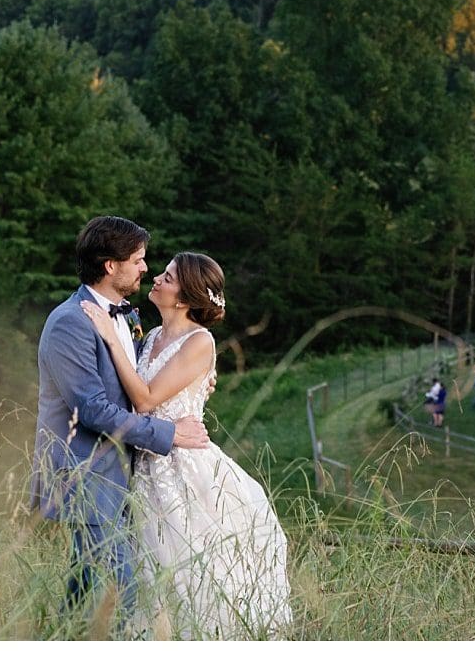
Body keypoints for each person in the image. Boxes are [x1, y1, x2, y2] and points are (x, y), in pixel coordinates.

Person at [83, 252, 292, 639]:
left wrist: (110, 338)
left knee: (190, 568)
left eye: (168, 277)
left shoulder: (200, 342)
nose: (157, 279)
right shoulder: (150, 339)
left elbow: (145, 400)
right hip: (144, 467)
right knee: (148, 573)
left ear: (183, 298)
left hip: (184, 468)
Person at [31, 216, 211, 625]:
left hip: (125, 477)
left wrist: (199, 376)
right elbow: (91, 410)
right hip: (86, 475)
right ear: (111, 266)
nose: (146, 269)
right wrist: (171, 434)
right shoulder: (70, 323)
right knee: (127, 590)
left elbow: (143, 375)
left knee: (84, 590)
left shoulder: (126, 317)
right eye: (139, 260)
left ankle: (60, 637)